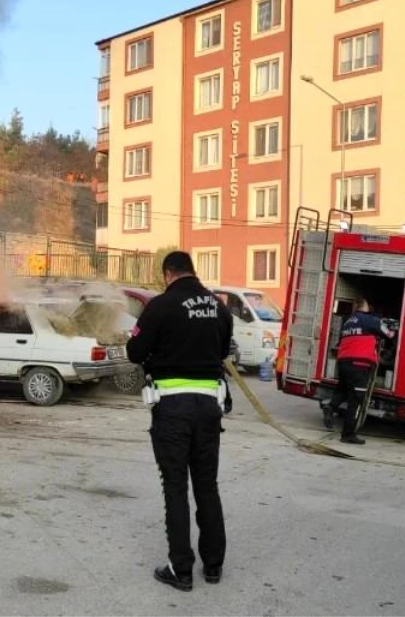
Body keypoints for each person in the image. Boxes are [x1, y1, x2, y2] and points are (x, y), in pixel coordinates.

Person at [126, 251, 233, 592]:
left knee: (175, 487)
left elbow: (135, 352)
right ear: (192, 271)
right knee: (207, 485)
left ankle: (181, 569)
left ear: (168, 273)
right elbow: (223, 352)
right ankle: (213, 565)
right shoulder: (219, 307)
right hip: (208, 407)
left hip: (172, 407)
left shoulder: (161, 305)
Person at [327, 298, 396, 445]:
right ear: (365, 307)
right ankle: (348, 434)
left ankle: (330, 406)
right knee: (356, 401)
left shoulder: (348, 322)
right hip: (359, 365)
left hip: (343, 362)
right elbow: (390, 335)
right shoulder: (371, 320)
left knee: (344, 389)